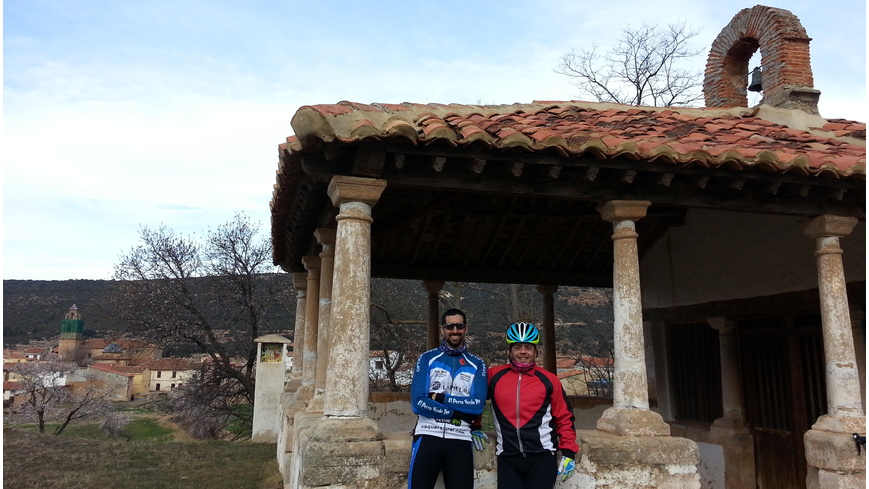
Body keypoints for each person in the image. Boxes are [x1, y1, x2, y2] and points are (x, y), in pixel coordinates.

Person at [488, 322, 579, 489]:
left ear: (536, 351)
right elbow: (474, 401)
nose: (523, 352)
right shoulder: (494, 376)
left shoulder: (549, 380)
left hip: (542, 458)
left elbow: (564, 416)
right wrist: (473, 426)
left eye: (528, 347)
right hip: (508, 458)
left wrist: (569, 452)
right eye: (517, 347)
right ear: (510, 351)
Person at [408, 308, 489, 489]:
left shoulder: (477, 364)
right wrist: (458, 414)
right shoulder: (427, 358)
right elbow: (418, 403)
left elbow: (477, 405)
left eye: (459, 326)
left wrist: (440, 398)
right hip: (428, 434)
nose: (454, 331)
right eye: (449, 326)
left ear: (465, 329)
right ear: (442, 329)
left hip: (460, 439)